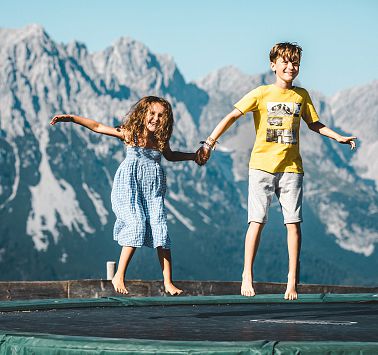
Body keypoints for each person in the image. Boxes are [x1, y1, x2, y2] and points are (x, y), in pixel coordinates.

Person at [196, 42, 357, 300]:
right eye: (285, 62)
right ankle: (247, 273)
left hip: (292, 168)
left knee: (293, 225)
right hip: (261, 167)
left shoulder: (301, 96)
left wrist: (337, 137)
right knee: (256, 221)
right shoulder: (261, 93)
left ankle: (292, 281)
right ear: (273, 65)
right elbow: (231, 116)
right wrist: (210, 142)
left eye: (295, 63)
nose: (290, 67)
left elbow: (315, 124)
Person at [51, 96, 200, 295]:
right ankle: (119, 274)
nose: (155, 118)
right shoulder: (132, 134)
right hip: (129, 185)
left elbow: (171, 156)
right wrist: (71, 118)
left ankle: (168, 282)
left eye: (160, 115)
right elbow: (97, 126)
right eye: (152, 114)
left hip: (153, 189)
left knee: (161, 229)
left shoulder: (160, 140)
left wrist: (193, 156)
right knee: (136, 224)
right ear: (143, 114)